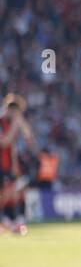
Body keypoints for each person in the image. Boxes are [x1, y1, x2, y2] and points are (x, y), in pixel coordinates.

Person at [0, 94, 35, 236]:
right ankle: (10, 222)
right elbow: (4, 142)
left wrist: (14, 163)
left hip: (6, 164)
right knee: (7, 193)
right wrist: (16, 125)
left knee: (10, 193)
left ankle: (11, 222)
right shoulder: (1, 122)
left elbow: (29, 140)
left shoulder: (10, 123)